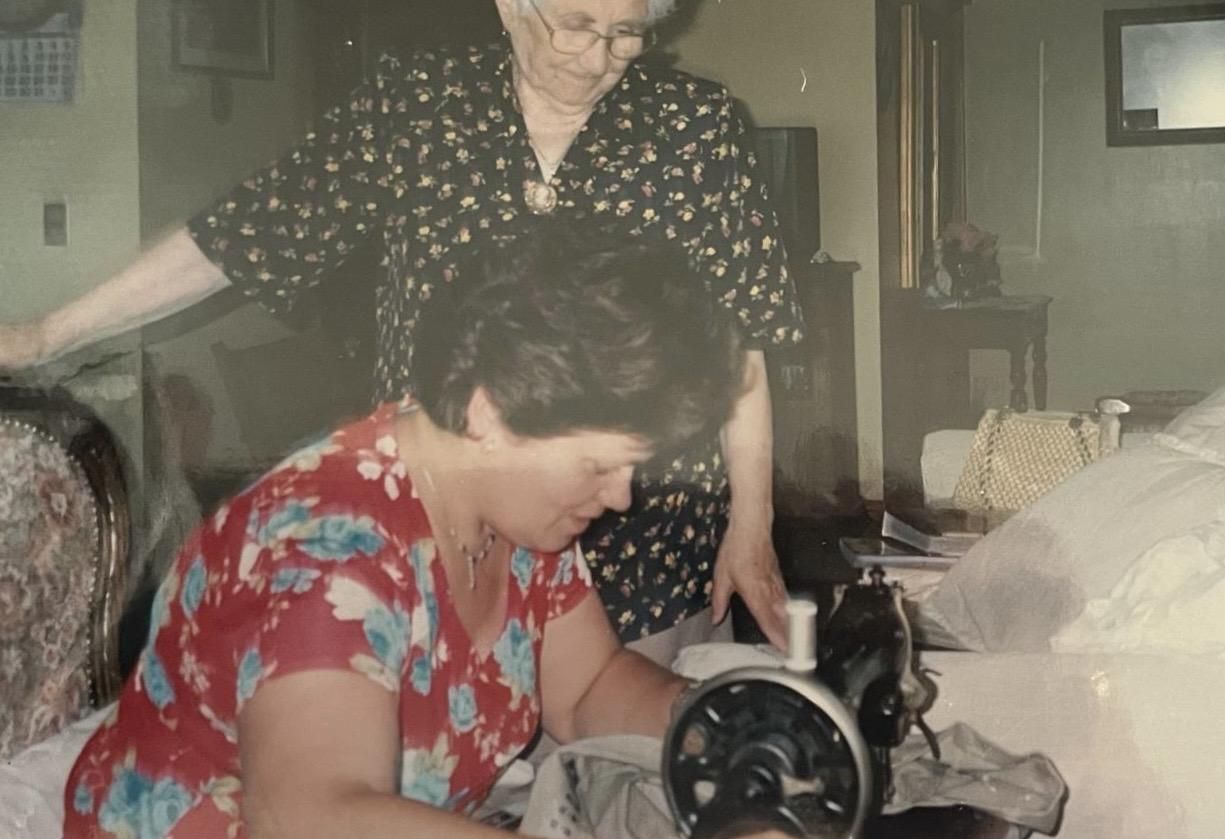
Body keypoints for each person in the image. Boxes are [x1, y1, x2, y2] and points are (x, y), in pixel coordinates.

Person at [43, 226, 918, 839]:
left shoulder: (509, 509)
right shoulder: (323, 542)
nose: (619, 497)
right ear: (490, 412)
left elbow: (586, 690)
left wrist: (740, 737)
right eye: (603, 461)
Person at [0, 0, 801, 663]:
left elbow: (741, 337)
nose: (599, 57)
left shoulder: (695, 127)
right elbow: (243, 234)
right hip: (450, 533)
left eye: (627, 33)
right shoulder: (418, 104)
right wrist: (45, 334)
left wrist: (750, 525)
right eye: (577, 25)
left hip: (643, 539)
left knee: (629, 783)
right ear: (512, 5)